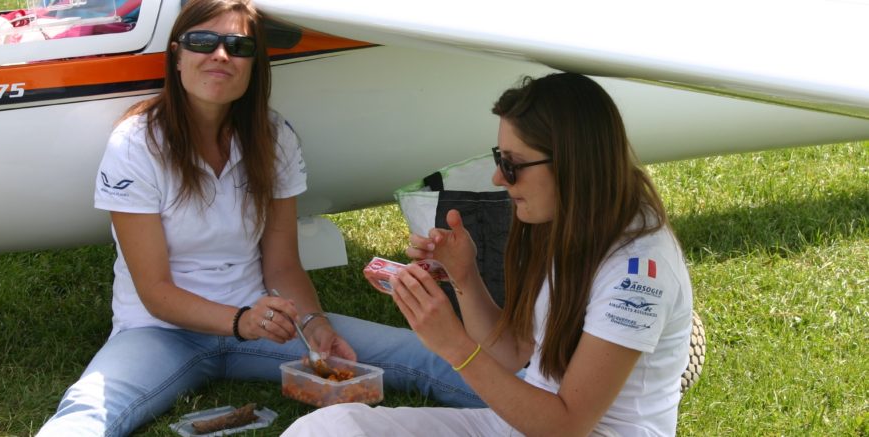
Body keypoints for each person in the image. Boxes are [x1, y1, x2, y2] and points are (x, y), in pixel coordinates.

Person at [34, 0, 481, 435]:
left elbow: (282, 265)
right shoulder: (136, 143)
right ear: (177, 55)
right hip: (160, 331)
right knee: (87, 411)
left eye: (239, 46)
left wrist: (315, 326)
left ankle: (523, 407)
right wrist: (240, 320)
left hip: (266, 324)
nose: (220, 55)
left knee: (423, 354)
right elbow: (155, 292)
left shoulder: (273, 137)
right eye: (202, 41)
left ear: (254, 65)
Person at [283, 73, 694, 436]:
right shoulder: (567, 220)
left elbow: (565, 426)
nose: (499, 177)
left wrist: (454, 345)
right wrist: (463, 276)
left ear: (573, 163)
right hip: (520, 425)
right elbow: (513, 351)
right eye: (500, 158)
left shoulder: (638, 272)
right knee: (327, 428)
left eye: (513, 164)